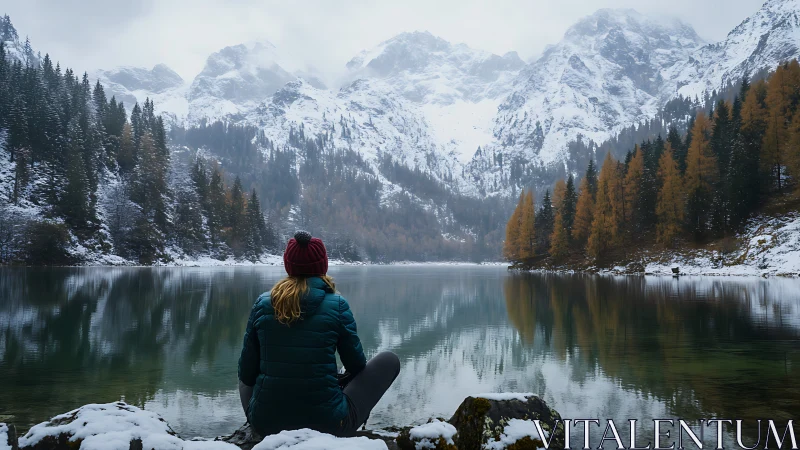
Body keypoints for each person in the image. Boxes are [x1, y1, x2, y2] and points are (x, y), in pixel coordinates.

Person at [237, 230, 401, 437]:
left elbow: (246, 373)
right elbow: (357, 366)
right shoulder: (337, 305)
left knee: (245, 370)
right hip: (328, 425)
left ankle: (269, 415)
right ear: (323, 265)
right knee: (389, 360)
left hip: (265, 424)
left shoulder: (262, 303)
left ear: (288, 265)